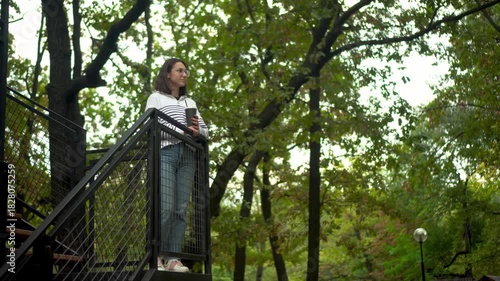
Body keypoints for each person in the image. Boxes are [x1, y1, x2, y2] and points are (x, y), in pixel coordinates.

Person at [145, 58, 209, 272]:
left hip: (188, 156)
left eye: (186, 71)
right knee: (166, 207)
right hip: (166, 153)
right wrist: (179, 130)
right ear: (168, 74)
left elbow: (206, 132)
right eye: (180, 70)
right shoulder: (156, 98)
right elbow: (150, 126)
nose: (185, 74)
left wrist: (196, 131)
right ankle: (154, 257)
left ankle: (173, 259)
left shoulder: (190, 103)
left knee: (180, 210)